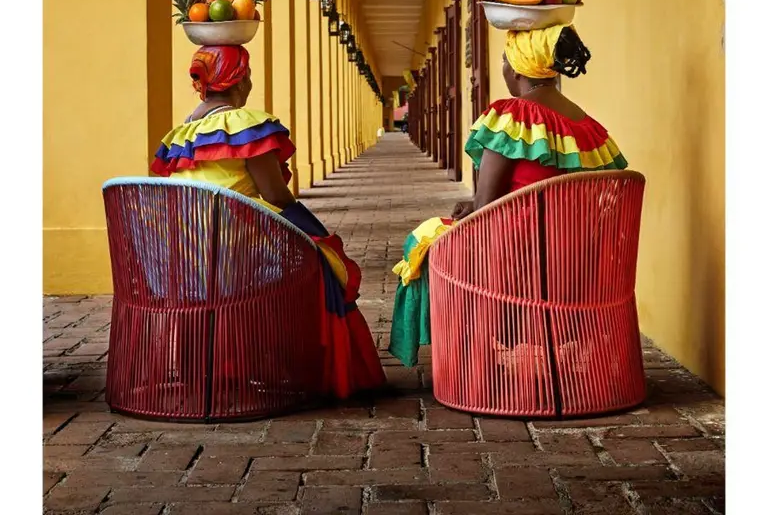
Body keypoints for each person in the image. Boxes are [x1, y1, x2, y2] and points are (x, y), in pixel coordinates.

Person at [150, 43, 386, 398]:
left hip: (185, 261)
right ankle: (299, 366)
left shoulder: (182, 135)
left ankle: (215, 367)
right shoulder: (243, 125)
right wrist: (314, 232)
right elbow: (276, 195)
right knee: (324, 262)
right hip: (237, 258)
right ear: (241, 79)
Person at [388, 23, 627, 367]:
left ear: (517, 68)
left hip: (519, 263)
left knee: (423, 241)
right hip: (580, 265)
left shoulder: (514, 116)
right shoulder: (590, 128)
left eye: (504, 59)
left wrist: (473, 205)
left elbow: (485, 208)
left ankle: (472, 361)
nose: (502, 67)